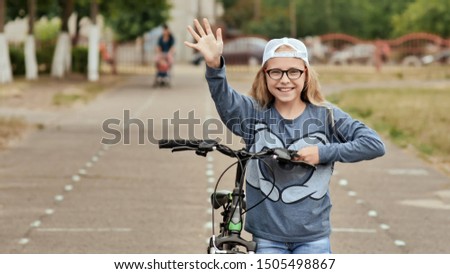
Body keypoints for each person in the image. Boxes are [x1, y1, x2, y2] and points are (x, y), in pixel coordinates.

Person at [184, 18, 385, 254]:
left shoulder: (327, 115)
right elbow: (225, 100)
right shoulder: (252, 114)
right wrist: (214, 64)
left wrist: (322, 152)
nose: (285, 79)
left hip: (313, 239)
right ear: (265, 75)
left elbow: (374, 144)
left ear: (306, 74)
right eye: (276, 72)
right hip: (267, 238)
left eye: (293, 71)